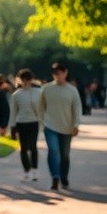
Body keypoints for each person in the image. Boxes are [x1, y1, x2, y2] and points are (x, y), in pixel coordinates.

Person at [38, 62, 82, 191]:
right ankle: (55, 177)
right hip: (50, 126)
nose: (58, 75)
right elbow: (40, 108)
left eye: (60, 73)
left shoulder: (72, 90)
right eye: (55, 73)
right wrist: (42, 123)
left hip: (67, 127)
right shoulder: (46, 89)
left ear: (65, 73)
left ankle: (64, 177)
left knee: (64, 155)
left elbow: (77, 108)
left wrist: (76, 124)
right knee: (53, 151)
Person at [9, 68, 41, 181]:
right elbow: (13, 112)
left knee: (33, 147)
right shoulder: (16, 95)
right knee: (23, 148)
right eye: (23, 79)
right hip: (21, 122)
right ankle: (26, 170)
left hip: (33, 122)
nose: (26, 81)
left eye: (27, 79)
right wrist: (12, 127)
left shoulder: (38, 92)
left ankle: (35, 170)